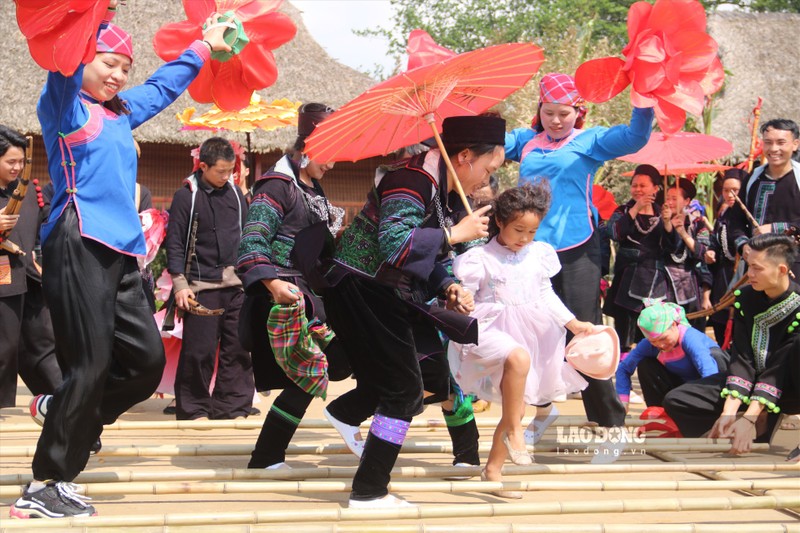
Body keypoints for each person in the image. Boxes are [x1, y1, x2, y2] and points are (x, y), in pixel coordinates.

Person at [10, 3, 230, 518]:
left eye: (124, 69)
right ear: (86, 58)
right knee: (89, 364)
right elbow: (64, 62)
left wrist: (204, 44)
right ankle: (45, 486)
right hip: (78, 238)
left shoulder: (121, 111)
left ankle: (63, 412)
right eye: (109, 62)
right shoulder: (65, 106)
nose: (118, 74)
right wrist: (83, 22)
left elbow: (161, 88)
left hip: (122, 253)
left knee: (146, 363)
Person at [322, 115, 503, 508]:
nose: (484, 181)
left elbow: (420, 256)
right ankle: (369, 492)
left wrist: (446, 285)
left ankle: (347, 421)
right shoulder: (413, 179)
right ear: (466, 156)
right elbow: (395, 244)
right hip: (361, 287)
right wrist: (455, 234)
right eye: (488, 170)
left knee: (407, 382)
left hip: (377, 289)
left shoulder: (436, 184)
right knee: (405, 391)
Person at [505, 72, 654, 429]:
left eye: (564, 113)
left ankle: (608, 421)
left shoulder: (590, 141)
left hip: (577, 250)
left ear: (579, 112)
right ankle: (537, 413)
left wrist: (644, 95)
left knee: (585, 332)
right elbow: (482, 141)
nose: (556, 120)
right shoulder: (524, 141)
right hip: (530, 249)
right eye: (549, 112)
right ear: (539, 109)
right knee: (531, 329)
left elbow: (636, 136)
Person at [448, 182, 593, 497]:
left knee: (519, 404)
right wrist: (463, 298)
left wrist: (573, 322)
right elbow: (466, 292)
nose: (524, 239)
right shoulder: (480, 257)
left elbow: (545, 293)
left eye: (531, 232)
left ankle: (494, 470)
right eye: (518, 230)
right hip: (490, 328)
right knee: (518, 359)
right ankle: (516, 433)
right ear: (500, 222)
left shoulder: (539, 254)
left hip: (532, 328)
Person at [236, 103, 353, 469]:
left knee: (325, 368)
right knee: (313, 371)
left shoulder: (312, 188)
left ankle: (268, 455)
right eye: (328, 155)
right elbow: (252, 239)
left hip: (312, 294)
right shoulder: (276, 185)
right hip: (285, 296)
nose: (331, 164)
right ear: (307, 146)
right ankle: (267, 455)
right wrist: (271, 282)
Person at [663, 233, 800, 452]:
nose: (749, 274)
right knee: (676, 400)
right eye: (748, 266)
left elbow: (779, 369)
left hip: (789, 389)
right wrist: (729, 411)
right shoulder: (746, 297)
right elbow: (742, 357)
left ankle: (757, 419)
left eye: (757, 268)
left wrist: (750, 417)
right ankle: (737, 428)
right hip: (749, 384)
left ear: (781, 270)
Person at [165, 137, 254, 421]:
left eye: (230, 171)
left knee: (238, 348)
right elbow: (175, 243)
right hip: (201, 287)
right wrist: (180, 285)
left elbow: (247, 237)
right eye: (220, 171)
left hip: (236, 286)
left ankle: (233, 407)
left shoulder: (236, 196)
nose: (226, 176)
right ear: (203, 166)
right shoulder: (186, 196)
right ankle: (194, 409)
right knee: (199, 351)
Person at [0, 126, 62, 408]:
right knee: (4, 349)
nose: (17, 167)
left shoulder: (29, 190)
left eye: (21, 162)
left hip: (29, 280)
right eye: (10, 162)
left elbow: (43, 230)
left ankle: (65, 406)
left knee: (44, 345)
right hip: (3, 283)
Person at [603, 164, 670, 349]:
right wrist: (637, 208)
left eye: (643, 186)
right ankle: (622, 369)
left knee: (652, 335)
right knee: (624, 333)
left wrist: (670, 225)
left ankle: (648, 371)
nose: (637, 189)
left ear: (655, 188)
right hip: (626, 279)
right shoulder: (623, 211)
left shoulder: (663, 214)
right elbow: (614, 233)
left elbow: (672, 248)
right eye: (634, 185)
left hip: (654, 282)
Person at [615, 301, 727, 411]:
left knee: (716, 356)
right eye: (654, 341)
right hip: (682, 388)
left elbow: (708, 371)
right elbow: (624, 368)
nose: (660, 345)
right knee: (646, 365)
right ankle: (659, 413)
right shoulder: (648, 345)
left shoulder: (690, 338)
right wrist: (623, 401)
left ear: (674, 325)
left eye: (663, 338)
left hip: (710, 385)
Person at [729, 119, 800, 279]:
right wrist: (743, 245)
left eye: (781, 142)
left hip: (794, 269)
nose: (774, 149)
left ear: (795, 144)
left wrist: (775, 229)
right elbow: (735, 221)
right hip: (755, 271)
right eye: (768, 143)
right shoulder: (752, 179)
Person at [661, 178, 713, 329]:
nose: (669, 202)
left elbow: (703, 252)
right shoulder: (659, 220)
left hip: (690, 281)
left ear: (687, 201)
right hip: (664, 282)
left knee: (691, 329)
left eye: (674, 198)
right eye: (668, 198)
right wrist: (666, 224)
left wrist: (683, 233)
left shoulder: (697, 223)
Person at [705, 168, 747, 343]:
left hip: (744, 277)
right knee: (720, 327)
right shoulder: (723, 215)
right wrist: (710, 251)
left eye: (735, 191)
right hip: (722, 278)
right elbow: (715, 240)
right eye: (725, 190)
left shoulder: (749, 217)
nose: (730, 195)